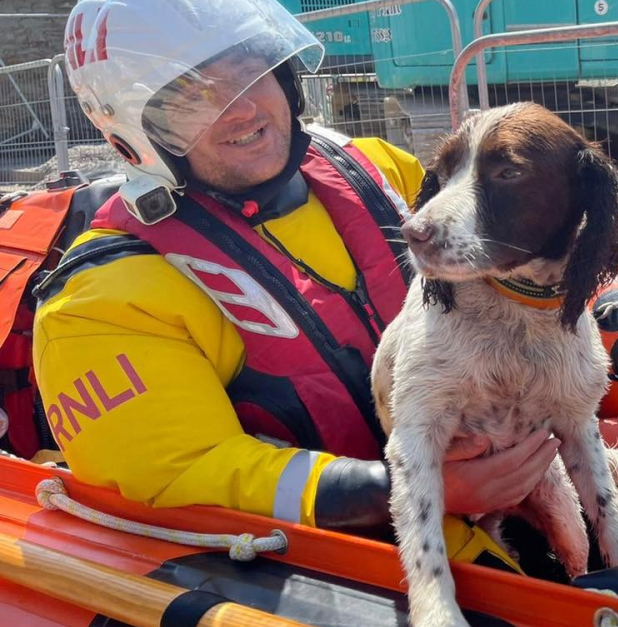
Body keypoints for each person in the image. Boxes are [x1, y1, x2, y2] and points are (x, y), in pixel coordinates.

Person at [31, 0, 572, 574]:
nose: (240, 110)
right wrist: (405, 486)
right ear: (132, 132)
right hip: (353, 555)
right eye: (189, 98)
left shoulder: (375, 167)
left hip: (513, 481)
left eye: (247, 71)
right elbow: (177, 472)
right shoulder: (101, 302)